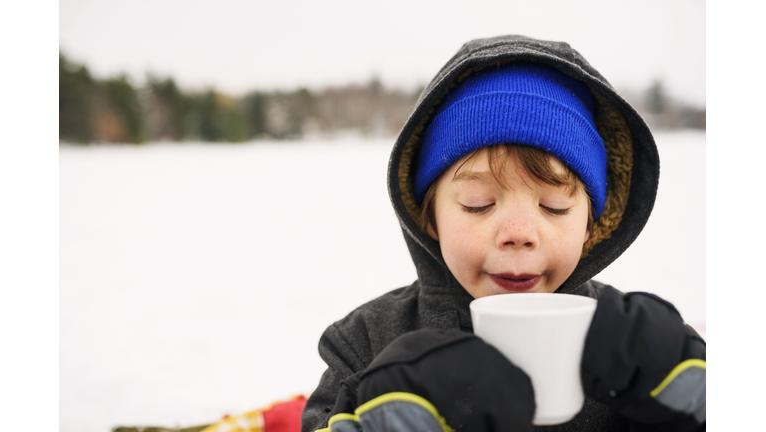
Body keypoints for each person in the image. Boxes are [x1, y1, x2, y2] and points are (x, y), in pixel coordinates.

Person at [300, 35, 706, 432]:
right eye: (478, 203)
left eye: (554, 207)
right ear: (429, 217)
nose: (519, 233)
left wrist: (693, 399)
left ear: (590, 226)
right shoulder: (365, 344)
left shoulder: (631, 355)